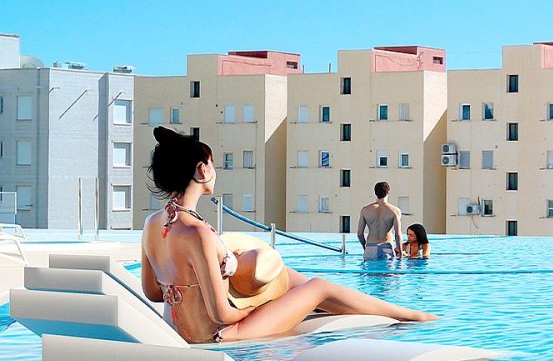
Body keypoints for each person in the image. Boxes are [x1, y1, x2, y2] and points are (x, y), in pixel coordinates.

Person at [140, 127, 435, 343]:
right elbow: (221, 314)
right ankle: (410, 316)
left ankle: (397, 312)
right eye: (213, 164)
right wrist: (263, 305)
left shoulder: (153, 224)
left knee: (289, 277)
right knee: (318, 287)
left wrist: (182, 289)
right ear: (202, 170)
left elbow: (153, 292)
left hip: (183, 329)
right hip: (219, 334)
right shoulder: (197, 233)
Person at [358, 181, 403, 260]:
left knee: (369, 272)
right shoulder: (394, 211)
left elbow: (359, 234)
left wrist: (364, 246)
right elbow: (397, 235)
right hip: (386, 247)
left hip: (370, 247)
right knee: (388, 272)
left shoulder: (365, 210)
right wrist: (400, 253)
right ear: (388, 192)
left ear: (375, 193)